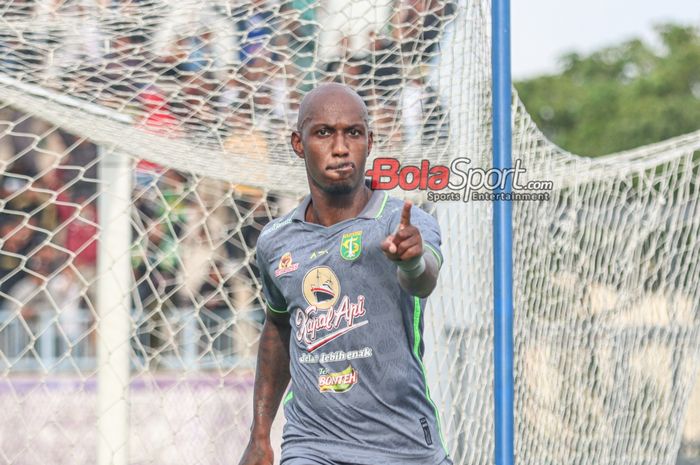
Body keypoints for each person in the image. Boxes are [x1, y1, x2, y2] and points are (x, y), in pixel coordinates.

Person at [238, 83, 451, 465]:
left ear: (369, 141)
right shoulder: (276, 242)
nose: (340, 148)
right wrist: (260, 433)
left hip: (404, 446)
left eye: (352, 133)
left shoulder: (404, 222)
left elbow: (423, 280)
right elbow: (279, 326)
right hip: (313, 445)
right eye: (324, 133)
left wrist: (411, 261)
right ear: (298, 143)